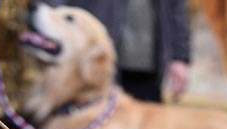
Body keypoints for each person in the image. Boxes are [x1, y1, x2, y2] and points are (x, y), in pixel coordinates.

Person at [43, 0, 191, 103]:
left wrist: (179, 57)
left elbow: (176, 7)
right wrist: (52, 26)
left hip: (145, 64)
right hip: (91, 61)